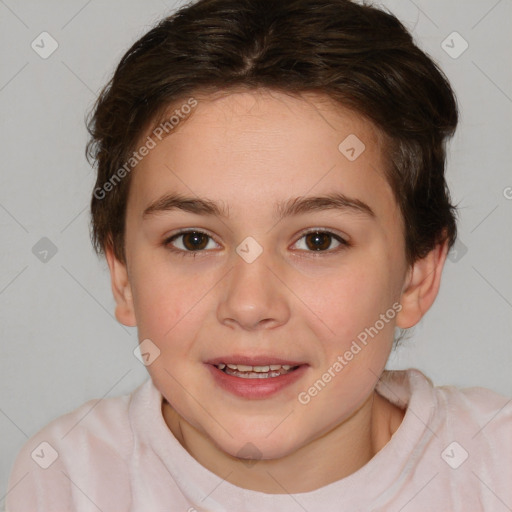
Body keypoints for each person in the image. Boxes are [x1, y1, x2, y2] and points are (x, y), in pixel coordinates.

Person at [6, 0, 511, 510]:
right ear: (123, 276)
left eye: (318, 240)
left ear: (416, 276)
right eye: (193, 240)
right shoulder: (68, 478)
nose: (249, 305)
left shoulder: (497, 468)